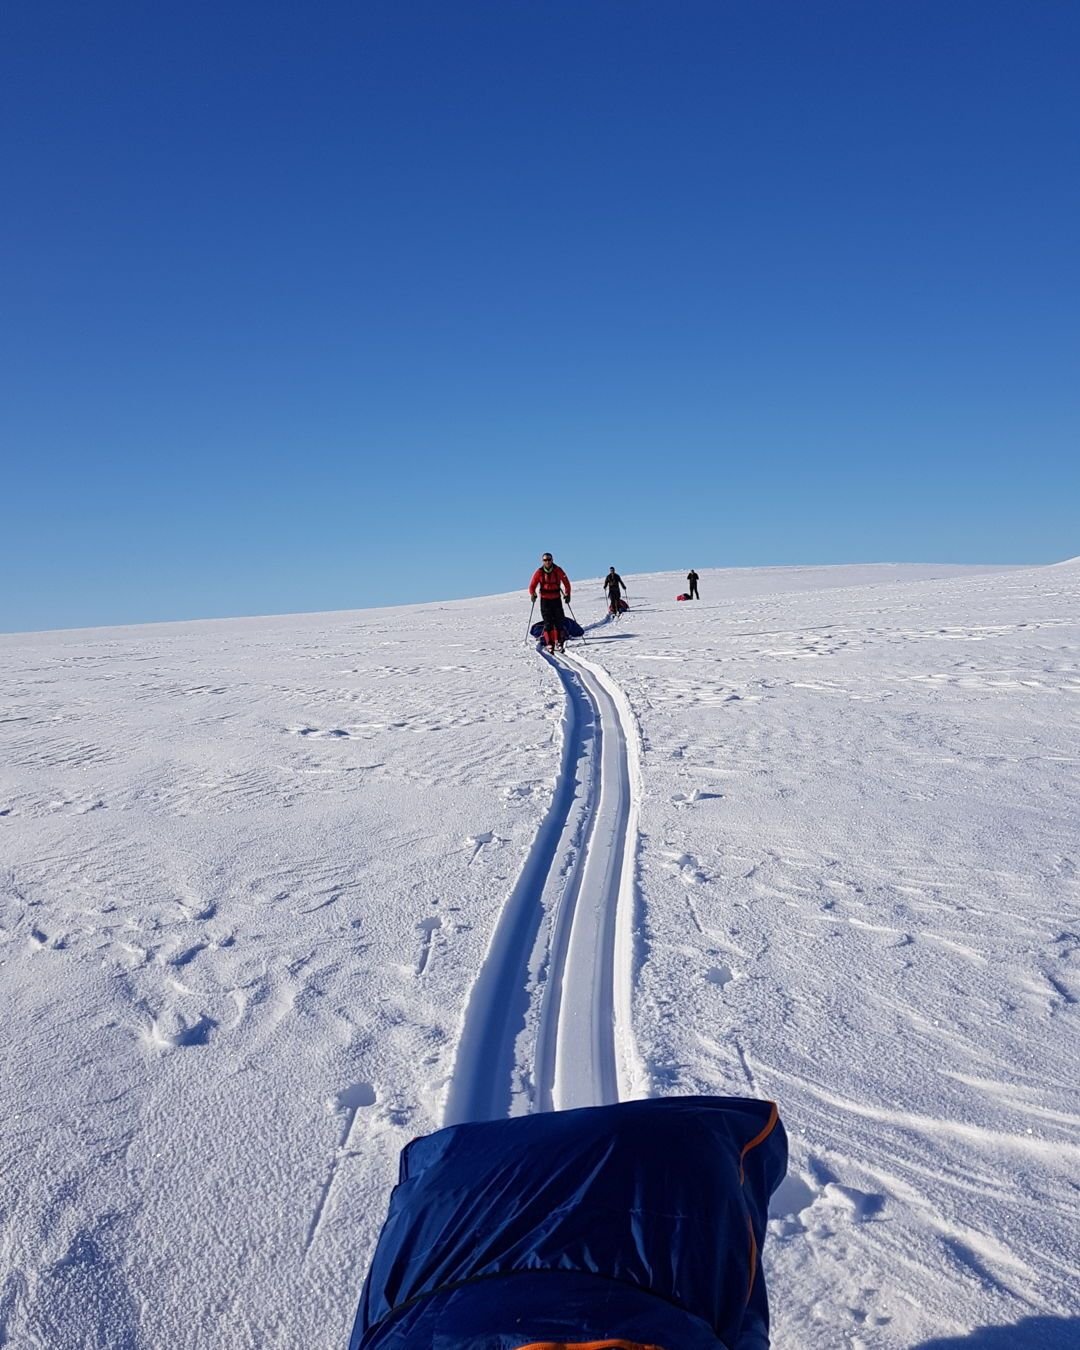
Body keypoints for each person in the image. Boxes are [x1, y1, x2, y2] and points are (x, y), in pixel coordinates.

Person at [529, 552, 571, 653]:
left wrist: (567, 594)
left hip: (556, 599)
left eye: (549, 560)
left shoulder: (558, 570)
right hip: (545, 600)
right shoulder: (539, 572)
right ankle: (549, 643)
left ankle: (559, 642)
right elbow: (532, 585)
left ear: (552, 560)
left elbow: (566, 583)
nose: (547, 562)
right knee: (548, 622)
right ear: (542, 561)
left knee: (559, 621)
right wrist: (533, 594)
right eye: (545, 560)